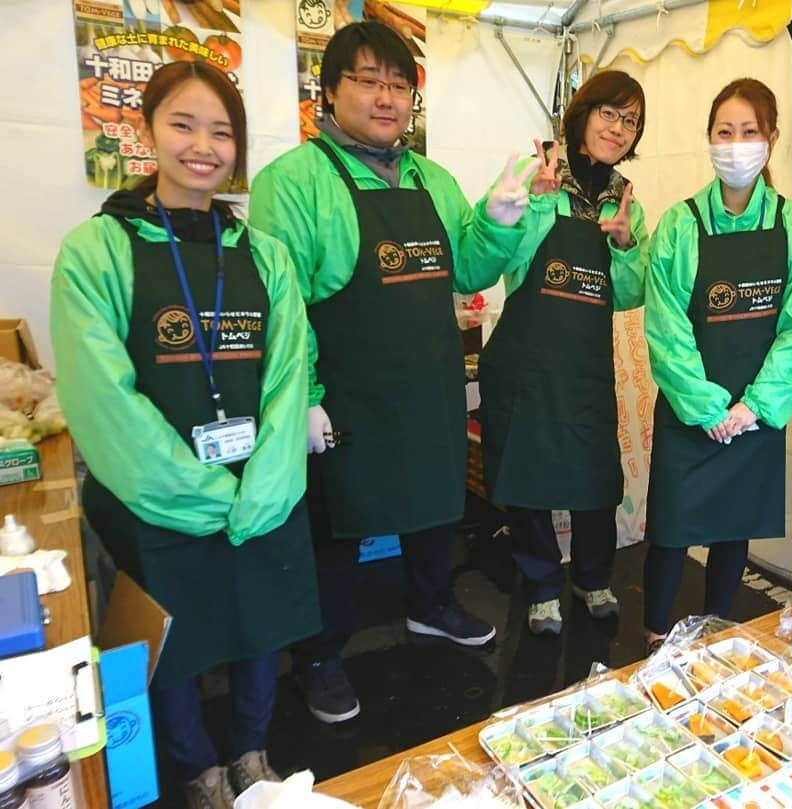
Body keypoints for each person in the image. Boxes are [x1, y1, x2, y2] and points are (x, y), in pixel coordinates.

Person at [249, 22, 538, 723]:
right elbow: (279, 309)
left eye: (399, 83)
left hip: (428, 383)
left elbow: (469, 269)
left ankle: (432, 603)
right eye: (368, 80)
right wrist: (306, 399)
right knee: (336, 529)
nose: (386, 97)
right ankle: (319, 654)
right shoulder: (291, 183)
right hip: (344, 394)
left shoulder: (429, 177)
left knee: (437, 506)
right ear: (330, 90)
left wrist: (498, 219)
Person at [51, 62, 319, 809]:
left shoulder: (264, 254)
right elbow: (102, 393)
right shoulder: (96, 249)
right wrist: (198, 491)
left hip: (262, 489)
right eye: (183, 124)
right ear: (146, 131)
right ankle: (198, 768)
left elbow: (290, 371)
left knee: (261, 617)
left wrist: (262, 483)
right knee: (170, 637)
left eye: (222, 132)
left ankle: (250, 751)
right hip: (157, 498)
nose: (203, 145)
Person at [642, 78, 792, 650]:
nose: (736, 144)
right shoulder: (679, 223)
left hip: (754, 413)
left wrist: (753, 408)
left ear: (770, 138)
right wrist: (707, 407)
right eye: (725, 132)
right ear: (709, 140)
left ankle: (716, 633)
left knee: (733, 531)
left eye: (749, 131)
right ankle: (653, 636)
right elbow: (665, 328)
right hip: (691, 411)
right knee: (670, 531)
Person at [471, 70, 649, 635]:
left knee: (596, 475)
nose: (618, 129)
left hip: (585, 364)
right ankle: (543, 584)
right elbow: (487, 263)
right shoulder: (533, 172)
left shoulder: (625, 199)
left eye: (631, 121)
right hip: (525, 360)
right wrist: (521, 209)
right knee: (528, 475)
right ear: (582, 113)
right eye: (609, 114)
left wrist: (623, 245)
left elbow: (629, 294)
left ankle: (592, 575)